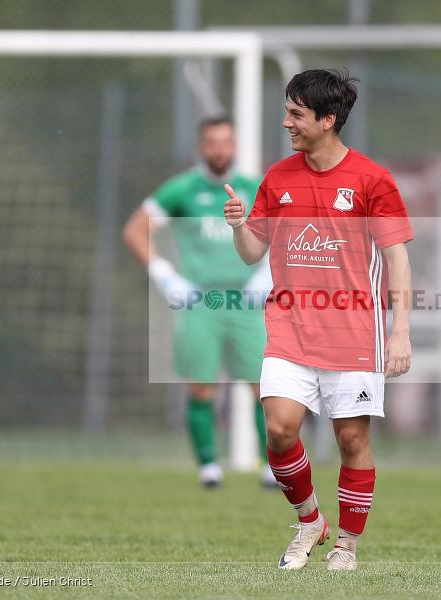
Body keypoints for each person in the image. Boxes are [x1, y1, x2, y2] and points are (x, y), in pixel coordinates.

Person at [223, 69, 413, 571]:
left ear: (328, 120)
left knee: (351, 441)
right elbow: (251, 254)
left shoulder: (373, 180)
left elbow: (397, 259)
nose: (286, 122)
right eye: (287, 111)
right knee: (280, 430)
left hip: (353, 334)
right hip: (289, 330)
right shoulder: (278, 178)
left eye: (296, 114)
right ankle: (310, 521)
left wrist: (400, 332)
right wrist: (240, 226)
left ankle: (347, 543)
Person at [123, 116, 275, 489]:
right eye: (212, 142)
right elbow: (135, 230)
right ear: (200, 146)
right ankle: (208, 467)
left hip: (246, 302)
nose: (220, 149)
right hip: (201, 302)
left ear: (236, 145)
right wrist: (164, 275)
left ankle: (271, 467)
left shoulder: (254, 188)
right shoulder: (182, 190)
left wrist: (266, 275)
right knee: (202, 386)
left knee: (264, 387)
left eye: (226, 141)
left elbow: (286, 234)